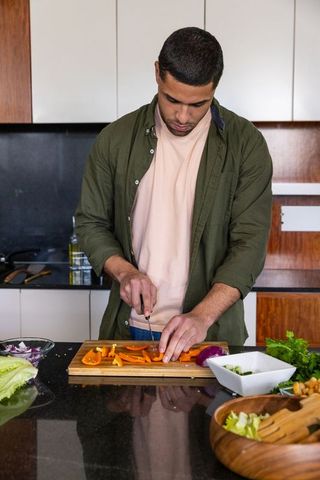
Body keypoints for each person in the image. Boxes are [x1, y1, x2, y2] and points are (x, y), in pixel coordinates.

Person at [75, 27, 273, 363]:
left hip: (210, 333)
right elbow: (91, 223)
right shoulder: (115, 139)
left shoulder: (246, 146)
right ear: (157, 73)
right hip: (128, 331)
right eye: (172, 100)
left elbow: (249, 245)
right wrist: (125, 272)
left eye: (198, 104)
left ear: (215, 87)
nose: (183, 116)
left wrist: (202, 316)